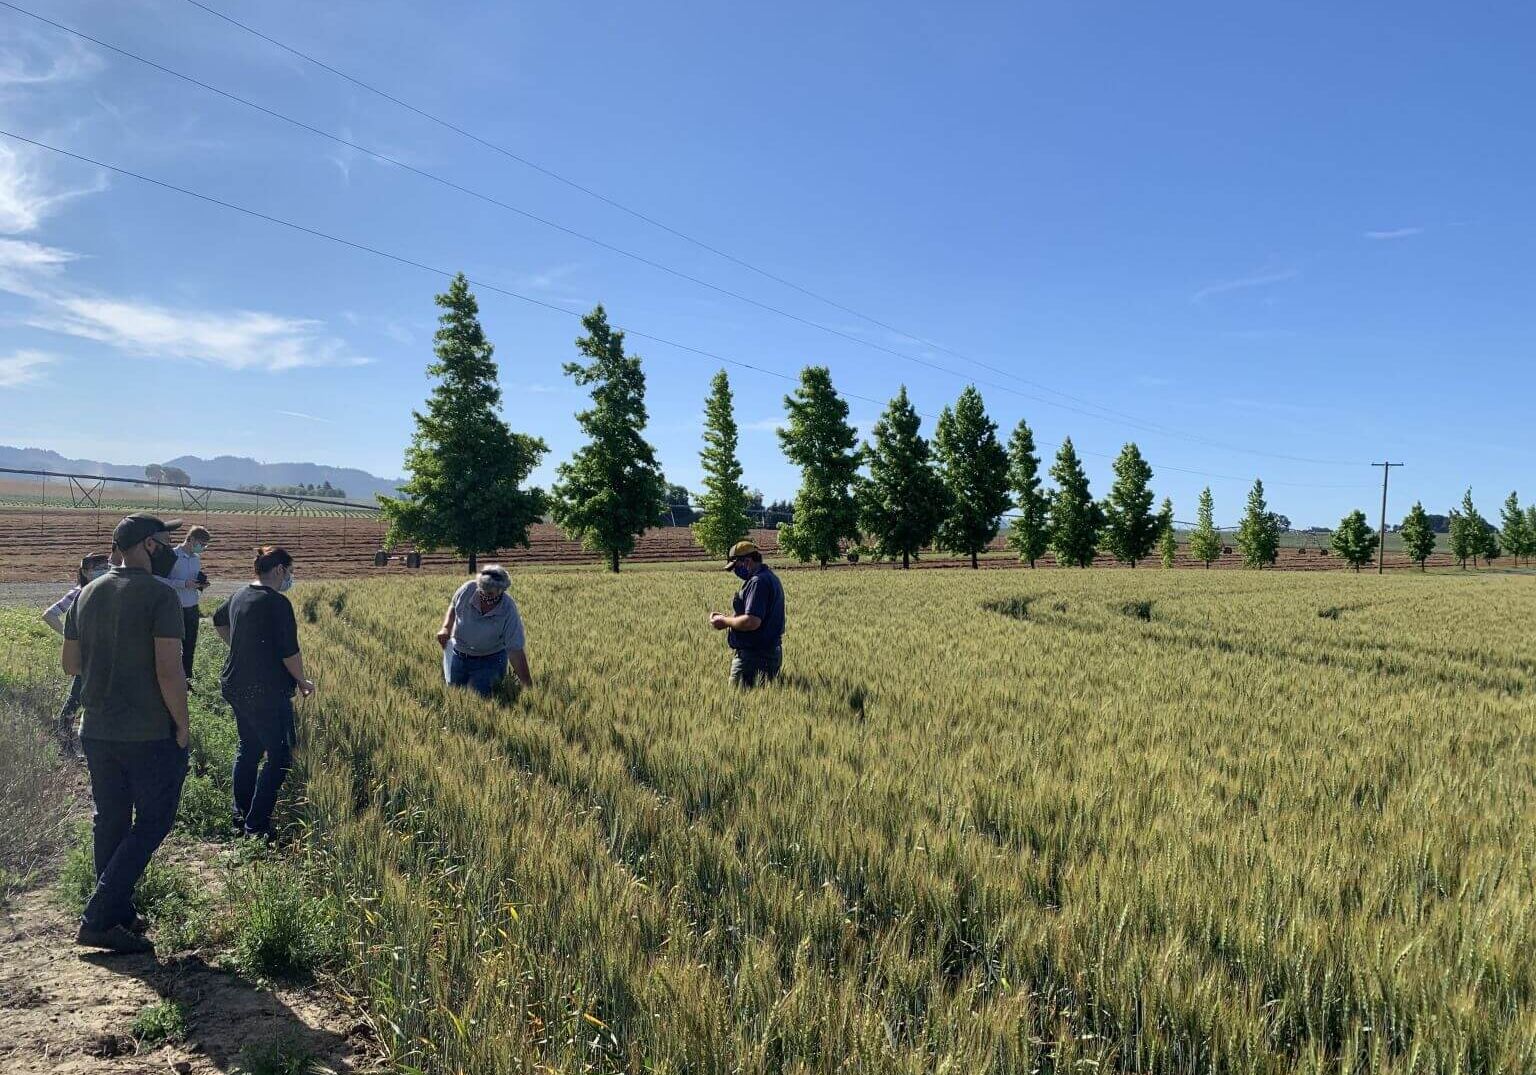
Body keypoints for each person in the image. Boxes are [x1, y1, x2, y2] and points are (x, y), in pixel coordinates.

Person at [62, 514, 189, 954]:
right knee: (155, 820)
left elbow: (71, 666)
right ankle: (98, 917)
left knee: (111, 820)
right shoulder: (160, 596)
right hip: (148, 732)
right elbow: (169, 671)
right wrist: (183, 725)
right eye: (164, 541)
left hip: (96, 729)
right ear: (148, 546)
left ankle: (116, 912)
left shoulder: (87, 593)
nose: (170, 548)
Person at [212, 546, 314, 839]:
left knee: (250, 748)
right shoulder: (277, 603)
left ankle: (241, 813)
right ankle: (255, 826)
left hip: (235, 684)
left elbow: (219, 622)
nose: (290, 578)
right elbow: (289, 651)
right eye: (290, 571)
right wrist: (303, 680)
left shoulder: (240, 593)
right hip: (265, 690)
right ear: (279, 569)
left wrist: (238, 648)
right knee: (280, 756)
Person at [42, 551, 113, 756]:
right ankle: (64, 738)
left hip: (107, 653)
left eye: (105, 567)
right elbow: (49, 614)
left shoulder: (109, 591)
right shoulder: (79, 593)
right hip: (87, 654)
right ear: (85, 572)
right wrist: (70, 636)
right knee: (78, 695)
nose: (103, 571)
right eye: (97, 568)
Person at [437, 564, 533, 697]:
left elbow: (515, 649)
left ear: (502, 590)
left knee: (482, 702)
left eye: (494, 593)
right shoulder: (466, 590)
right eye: (485, 592)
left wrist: (527, 685)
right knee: (456, 698)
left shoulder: (508, 609)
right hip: (459, 657)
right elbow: (454, 607)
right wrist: (446, 628)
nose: (489, 598)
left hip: (489, 661)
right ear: (479, 587)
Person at [709, 540, 785, 687]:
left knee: (738, 701)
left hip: (754, 657)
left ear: (747, 561)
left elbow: (752, 621)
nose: (735, 572)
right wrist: (729, 618)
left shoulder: (758, 582)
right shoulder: (769, 577)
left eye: (735, 566)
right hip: (767, 653)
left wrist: (724, 622)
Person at [159, 525, 211, 682]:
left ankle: (187, 680)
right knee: (174, 647)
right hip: (175, 607)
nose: (202, 548)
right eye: (201, 544)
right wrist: (183, 584)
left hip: (192, 606)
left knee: (190, 645)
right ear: (191, 539)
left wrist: (201, 585)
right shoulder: (172, 555)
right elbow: (161, 580)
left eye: (204, 545)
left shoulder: (196, 559)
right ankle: (172, 678)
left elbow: (193, 580)